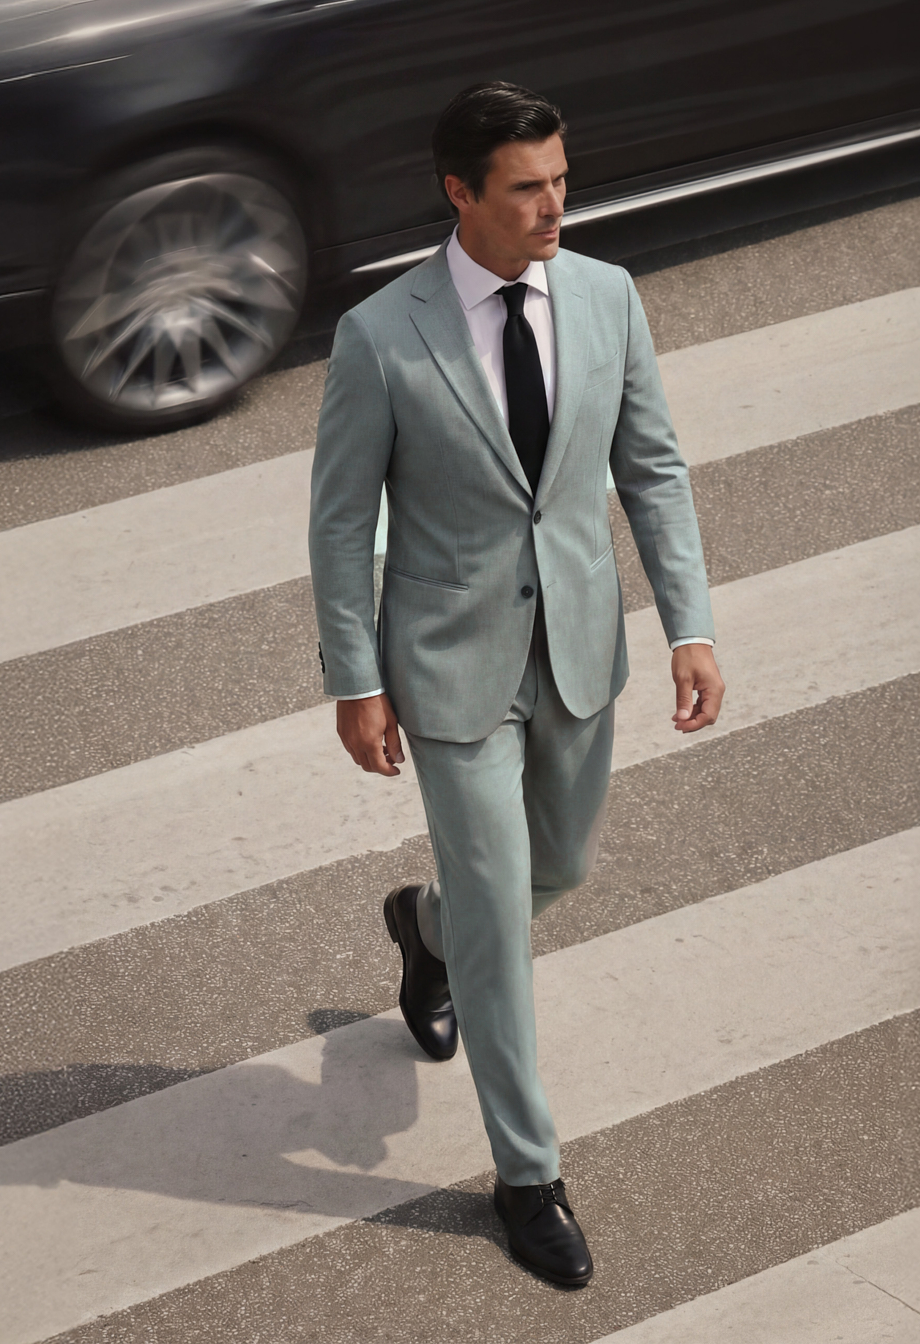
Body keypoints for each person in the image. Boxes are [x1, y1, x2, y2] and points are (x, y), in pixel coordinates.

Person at [308, 81, 724, 1287]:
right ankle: (527, 1174)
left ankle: (422, 932)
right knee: (504, 916)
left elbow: (652, 468)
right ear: (460, 194)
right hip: (446, 666)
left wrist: (690, 623)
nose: (554, 206)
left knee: (563, 867)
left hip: (580, 648)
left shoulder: (607, 298)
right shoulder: (383, 334)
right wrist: (354, 676)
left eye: (559, 179)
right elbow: (343, 524)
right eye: (525, 187)